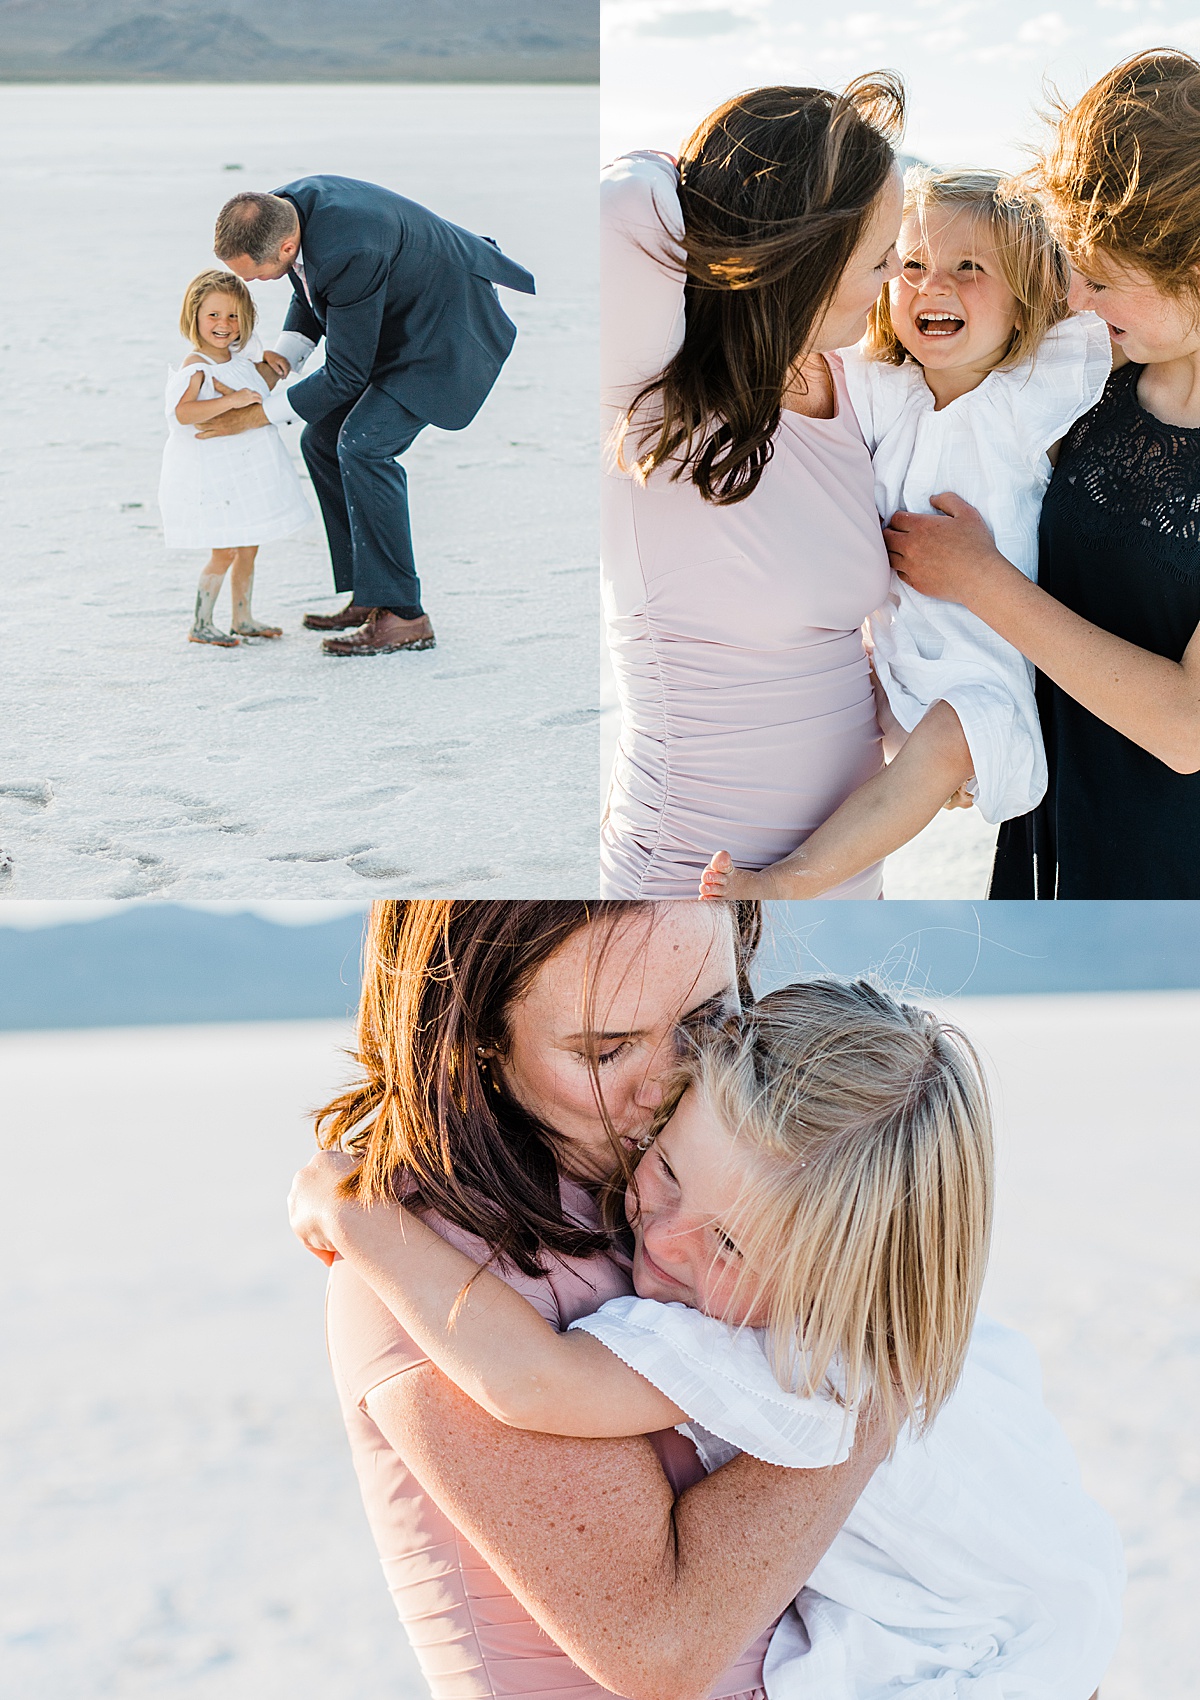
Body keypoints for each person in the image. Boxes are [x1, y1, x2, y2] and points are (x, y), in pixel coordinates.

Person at [293, 978, 1125, 1699]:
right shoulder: (950, 1338)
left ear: (841, 1281)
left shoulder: (787, 1360)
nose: (664, 1239)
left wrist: (351, 1213)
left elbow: (532, 1382)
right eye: (667, 1170)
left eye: (729, 1246)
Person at [287, 899, 889, 1700]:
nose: (676, 1079)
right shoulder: (425, 1253)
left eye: (710, 1018)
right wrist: (878, 1384)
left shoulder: (677, 1182)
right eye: (607, 1050)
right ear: (476, 1041)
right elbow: (660, 1646)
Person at [700, 167, 1111, 900]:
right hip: (891, 663)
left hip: (988, 679)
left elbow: (1084, 309)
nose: (934, 286)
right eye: (912, 264)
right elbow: (802, 337)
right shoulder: (889, 394)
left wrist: (1053, 249)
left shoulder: (1024, 400)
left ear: (1023, 302)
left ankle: (795, 880)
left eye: (970, 269)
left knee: (947, 741)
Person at [885, 51, 1200, 898]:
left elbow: (1187, 726)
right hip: (1053, 830)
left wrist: (978, 582)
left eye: (1101, 281)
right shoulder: (1096, 381)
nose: (1077, 301)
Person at [601, 80, 905, 897]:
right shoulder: (656, 406)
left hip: (841, 878)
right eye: (877, 256)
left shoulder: (845, 388)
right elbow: (627, 200)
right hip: (686, 883)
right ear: (803, 249)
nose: (894, 277)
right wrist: (757, 176)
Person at [209, 178, 535, 657]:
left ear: (284, 243)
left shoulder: (349, 247)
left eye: (255, 274)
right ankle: (372, 594)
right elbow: (309, 280)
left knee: (364, 445)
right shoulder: (281, 209)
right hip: (393, 314)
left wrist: (260, 414)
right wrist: (284, 358)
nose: (252, 283)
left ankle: (404, 616)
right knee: (321, 440)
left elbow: (345, 373)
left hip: (445, 332)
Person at [160, 270, 310, 646]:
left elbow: (258, 383)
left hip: (246, 471)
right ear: (194, 316)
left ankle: (243, 616)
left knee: (249, 544)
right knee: (224, 548)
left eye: (232, 316)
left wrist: (270, 361)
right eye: (213, 315)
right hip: (216, 475)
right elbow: (182, 413)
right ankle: (201, 622)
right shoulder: (196, 367)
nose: (223, 325)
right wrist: (231, 400)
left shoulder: (239, 358)